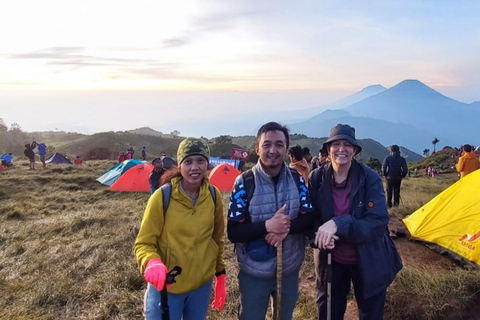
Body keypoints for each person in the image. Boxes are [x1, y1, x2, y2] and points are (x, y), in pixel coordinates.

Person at [309, 124, 402, 320]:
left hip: (368, 261)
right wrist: (319, 235)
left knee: (370, 314)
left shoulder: (369, 178)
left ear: (355, 150)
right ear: (328, 149)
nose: (341, 149)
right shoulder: (317, 178)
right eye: (336, 144)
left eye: (347, 144)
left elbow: (378, 222)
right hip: (331, 262)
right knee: (329, 314)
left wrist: (338, 224)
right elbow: (311, 218)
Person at [227, 122, 314, 320]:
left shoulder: (296, 179)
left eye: (279, 145)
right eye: (266, 145)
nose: (273, 150)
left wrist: (285, 228)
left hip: (289, 269)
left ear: (286, 149)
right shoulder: (244, 182)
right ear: (257, 149)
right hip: (254, 272)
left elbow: (309, 216)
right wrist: (267, 226)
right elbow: (233, 232)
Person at [135, 137, 226, 320]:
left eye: (201, 161)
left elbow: (216, 240)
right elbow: (144, 243)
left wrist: (220, 274)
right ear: (180, 165)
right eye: (188, 161)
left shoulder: (213, 196)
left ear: (207, 164)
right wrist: (151, 262)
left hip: (201, 286)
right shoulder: (162, 197)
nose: (195, 167)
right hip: (167, 287)